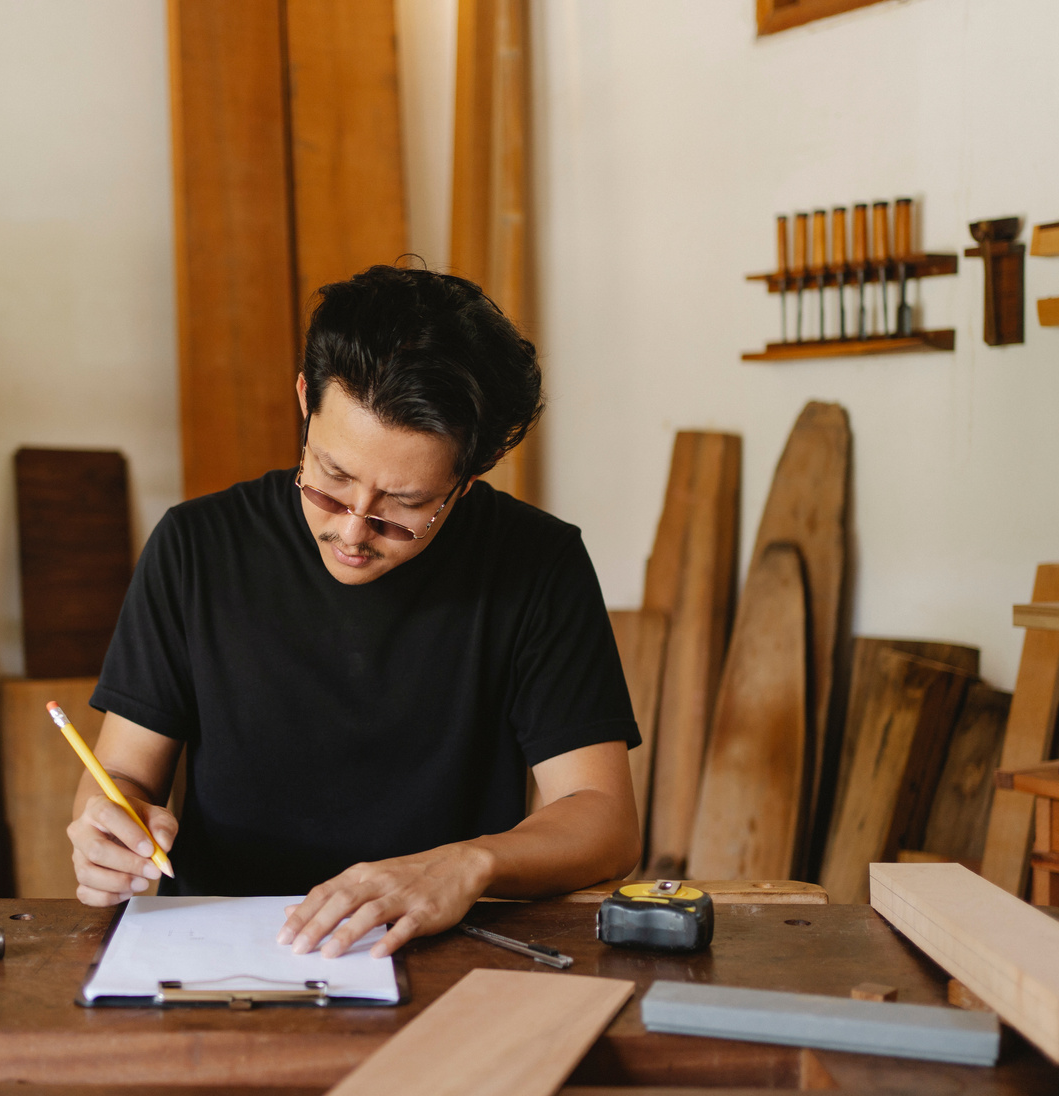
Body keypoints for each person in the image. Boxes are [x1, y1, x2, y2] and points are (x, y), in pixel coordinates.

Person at [67, 264, 641, 959]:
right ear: (306, 399)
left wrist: (466, 864)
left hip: (440, 951)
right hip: (223, 951)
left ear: (470, 474)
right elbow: (122, 772)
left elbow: (604, 818)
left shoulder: (536, 565)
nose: (353, 530)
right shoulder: (197, 546)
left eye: (404, 506)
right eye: (332, 481)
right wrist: (106, 828)